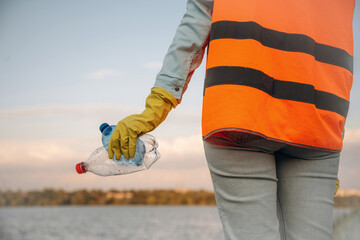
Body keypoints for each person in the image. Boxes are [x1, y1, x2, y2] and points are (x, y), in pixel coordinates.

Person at [108, 0, 355, 239]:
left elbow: (198, 19)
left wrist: (157, 105)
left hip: (242, 106)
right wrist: (334, 131)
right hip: (317, 122)